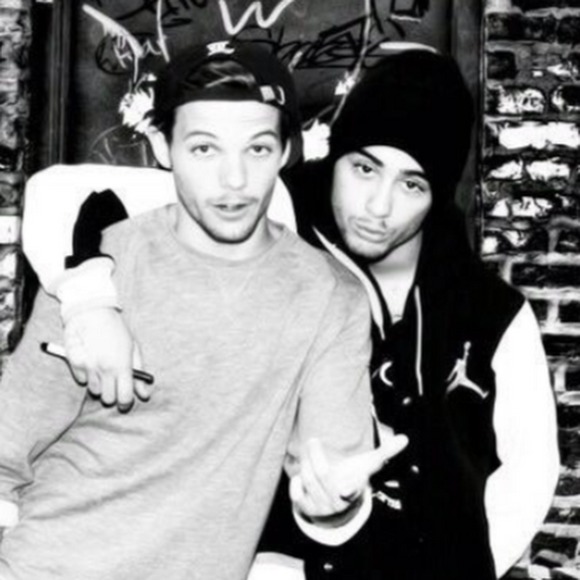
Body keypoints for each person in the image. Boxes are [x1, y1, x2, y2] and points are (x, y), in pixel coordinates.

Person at [21, 49, 559, 580]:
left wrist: (469, 566)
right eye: (364, 168)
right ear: (333, 157)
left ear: (437, 193)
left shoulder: (489, 309)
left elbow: (532, 469)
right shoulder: (267, 209)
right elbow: (59, 195)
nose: (378, 206)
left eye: (411, 183)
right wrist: (89, 295)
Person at [0, 41, 409, 580]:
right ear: (162, 146)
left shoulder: (329, 298)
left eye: (257, 149)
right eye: (204, 149)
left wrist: (334, 508)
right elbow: (4, 453)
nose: (233, 179)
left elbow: (328, 480)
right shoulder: (94, 275)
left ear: (287, 151)